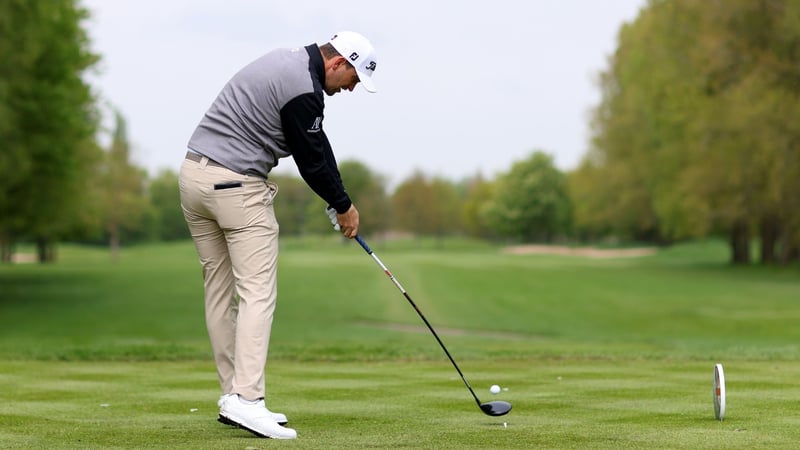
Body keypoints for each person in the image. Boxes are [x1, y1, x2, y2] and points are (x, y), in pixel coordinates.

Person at [178, 31, 378, 440]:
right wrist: (344, 206)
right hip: (236, 187)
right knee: (257, 292)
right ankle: (248, 401)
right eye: (354, 79)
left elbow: (317, 144)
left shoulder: (287, 61)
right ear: (339, 63)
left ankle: (233, 396)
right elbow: (311, 161)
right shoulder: (304, 88)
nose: (352, 89)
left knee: (218, 290)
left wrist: (339, 197)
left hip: (193, 178)